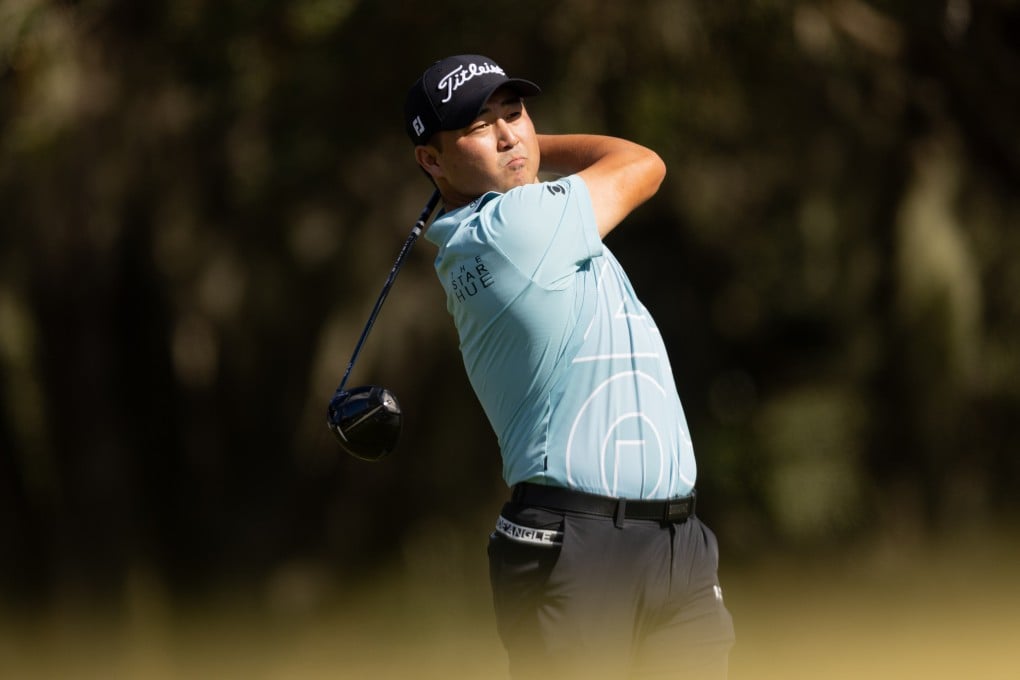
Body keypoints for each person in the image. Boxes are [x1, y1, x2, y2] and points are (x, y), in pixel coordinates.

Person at [404, 54, 735, 679]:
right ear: (430, 160)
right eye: (479, 127)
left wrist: (506, 152)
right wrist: (531, 149)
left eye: (515, 114)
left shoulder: (521, 219)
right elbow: (644, 163)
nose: (508, 134)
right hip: (577, 542)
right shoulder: (512, 228)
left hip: (675, 544)